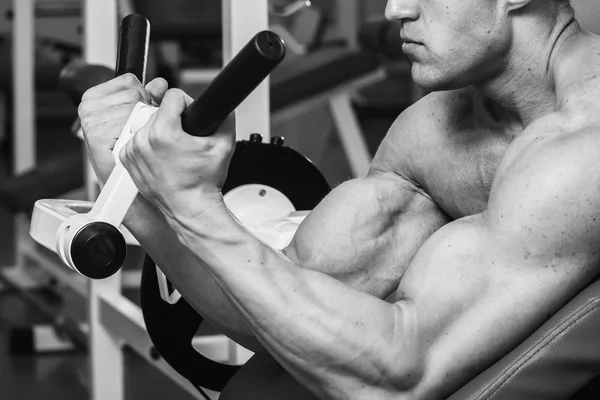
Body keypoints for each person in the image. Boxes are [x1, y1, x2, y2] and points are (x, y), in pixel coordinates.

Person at [78, 0, 600, 399]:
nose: (396, 9)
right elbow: (283, 313)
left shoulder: (583, 148)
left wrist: (193, 204)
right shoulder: (436, 127)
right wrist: (143, 195)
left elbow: (399, 375)